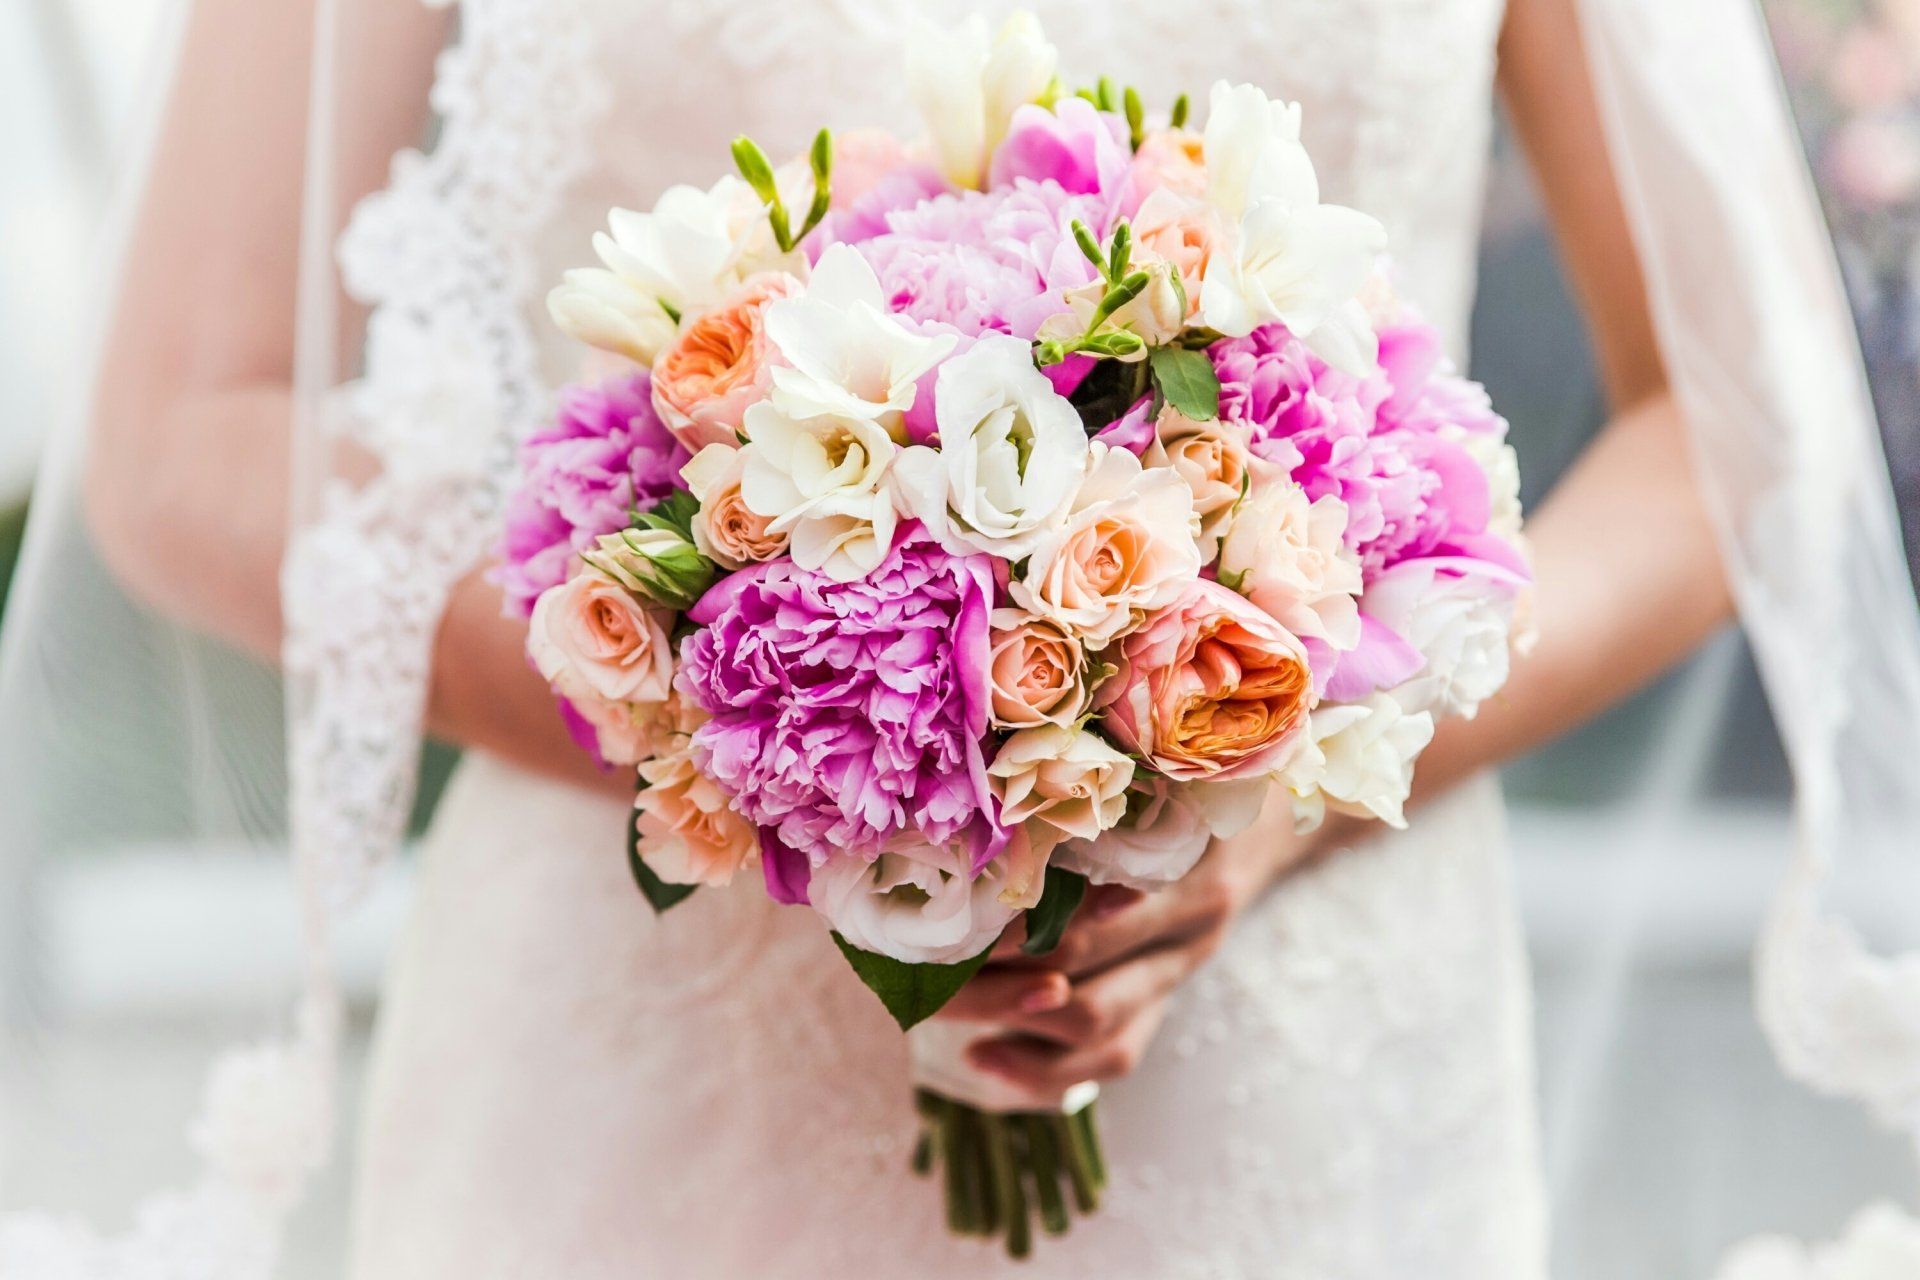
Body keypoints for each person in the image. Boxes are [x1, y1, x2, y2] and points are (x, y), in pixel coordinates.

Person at [78, 0, 1744, 1275]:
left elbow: (1730, 429)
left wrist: (1258, 787)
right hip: (647, 1074)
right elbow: (181, 436)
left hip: (1302, 1066)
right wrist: (755, 732)